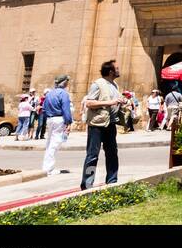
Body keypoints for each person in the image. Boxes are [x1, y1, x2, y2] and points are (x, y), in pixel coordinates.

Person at [81, 59, 123, 190]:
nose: (119, 70)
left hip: (110, 124)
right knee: (92, 155)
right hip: (97, 125)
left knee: (112, 153)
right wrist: (110, 102)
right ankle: (87, 184)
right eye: (117, 68)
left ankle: (112, 181)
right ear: (111, 71)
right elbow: (89, 103)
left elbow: (114, 101)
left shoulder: (115, 85)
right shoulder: (98, 84)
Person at [41, 75, 74, 176]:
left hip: (50, 119)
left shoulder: (50, 93)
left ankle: (46, 167)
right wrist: (68, 122)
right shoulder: (63, 94)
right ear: (64, 83)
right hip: (59, 119)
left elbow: (44, 108)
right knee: (55, 144)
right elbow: (66, 109)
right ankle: (49, 169)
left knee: (49, 143)